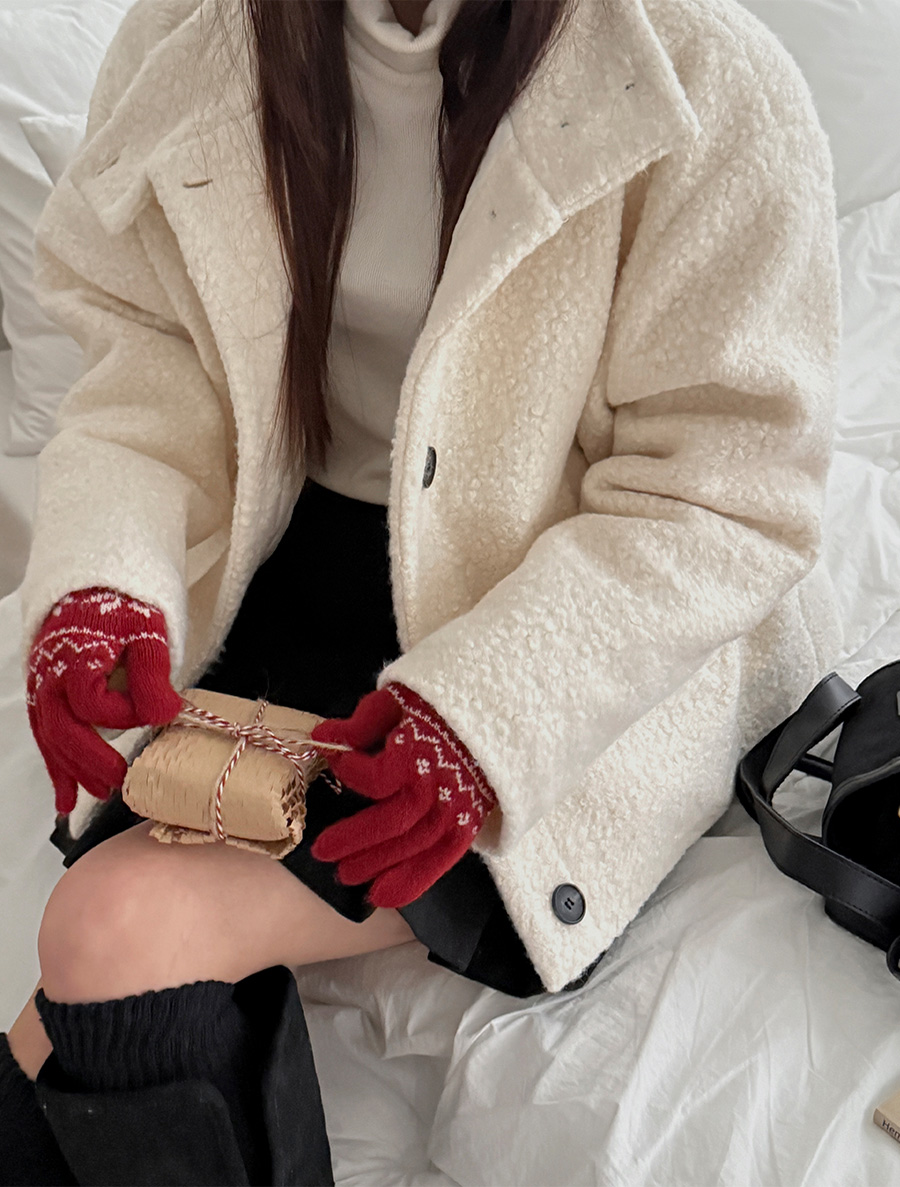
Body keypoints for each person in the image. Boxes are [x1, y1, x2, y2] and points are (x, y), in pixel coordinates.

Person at [0, 0, 842, 1181]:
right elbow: (153, 359)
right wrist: (106, 577)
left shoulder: (711, 82)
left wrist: (491, 718)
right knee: (92, 974)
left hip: (566, 620)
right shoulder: (193, 37)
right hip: (286, 567)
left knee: (112, 929)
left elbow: (722, 490)